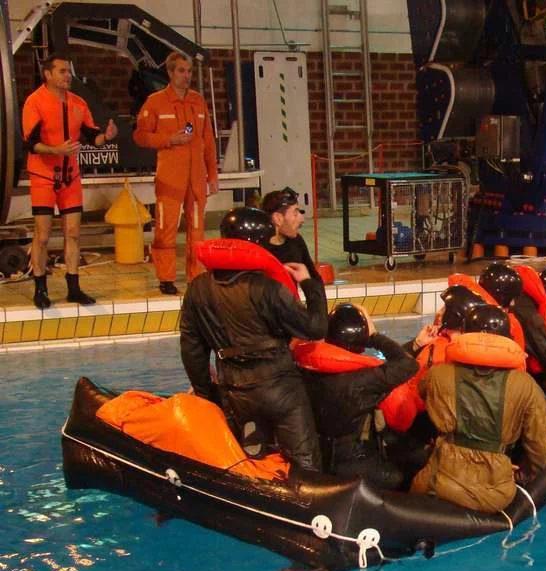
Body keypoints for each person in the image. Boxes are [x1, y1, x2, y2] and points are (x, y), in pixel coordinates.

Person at [178, 207, 328, 471]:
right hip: (280, 389)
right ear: (259, 245)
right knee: (306, 468)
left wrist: (206, 392)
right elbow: (315, 328)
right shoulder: (267, 289)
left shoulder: (197, 287)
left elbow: (192, 348)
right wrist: (310, 284)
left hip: (234, 391)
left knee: (244, 464)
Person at [410, 305, 546, 513]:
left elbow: (422, 403)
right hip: (493, 493)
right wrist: (521, 476)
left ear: (466, 334)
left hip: (435, 483)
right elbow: (539, 450)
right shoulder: (526, 385)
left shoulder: (437, 375)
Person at [22, 53, 117, 309]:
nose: (68, 76)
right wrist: (55, 151)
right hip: (43, 176)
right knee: (42, 237)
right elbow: (30, 143)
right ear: (48, 74)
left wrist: (105, 137)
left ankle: (73, 287)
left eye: (69, 71)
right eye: (63, 71)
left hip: (70, 178)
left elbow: (90, 135)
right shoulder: (35, 102)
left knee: (73, 233)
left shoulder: (78, 103)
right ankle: (40, 288)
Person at [301, 303, 417, 487]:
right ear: (362, 344)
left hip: (319, 455)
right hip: (354, 461)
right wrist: (375, 337)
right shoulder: (364, 380)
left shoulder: (306, 370)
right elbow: (408, 365)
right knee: (403, 475)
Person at [133, 52, 218, 294]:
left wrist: (213, 175)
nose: (186, 75)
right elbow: (140, 136)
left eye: (189, 71)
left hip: (196, 179)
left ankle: (196, 276)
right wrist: (169, 139)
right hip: (170, 179)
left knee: (197, 229)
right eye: (181, 70)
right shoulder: (156, 102)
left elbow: (208, 140)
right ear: (170, 73)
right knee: (166, 228)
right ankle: (166, 278)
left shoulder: (198, 101)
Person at [261, 187, 322, 284]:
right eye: (295, 213)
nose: (302, 219)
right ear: (277, 218)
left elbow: (314, 279)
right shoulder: (258, 250)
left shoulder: (296, 242)